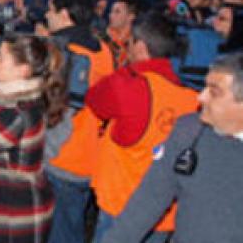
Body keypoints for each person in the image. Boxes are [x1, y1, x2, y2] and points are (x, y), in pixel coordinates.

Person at [102, 53, 243, 243]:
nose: (201, 97)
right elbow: (147, 203)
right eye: (205, 87)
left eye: (214, 92)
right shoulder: (189, 132)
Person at [86, 12, 199, 242]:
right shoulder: (192, 97)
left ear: (140, 47)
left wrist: (128, 69)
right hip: (165, 212)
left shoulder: (127, 85)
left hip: (122, 208)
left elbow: (94, 100)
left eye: (129, 43)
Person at [0, 34, 68, 243]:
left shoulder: (16, 113)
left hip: (13, 216)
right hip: (10, 205)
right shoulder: (25, 100)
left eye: (1, 57)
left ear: (23, 70)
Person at [43, 0, 115, 243]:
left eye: (50, 9)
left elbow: (65, 111)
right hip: (92, 155)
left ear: (64, 13)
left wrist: (47, 153)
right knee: (71, 225)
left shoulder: (63, 51)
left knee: (61, 232)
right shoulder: (102, 48)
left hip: (63, 158)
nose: (46, 15)